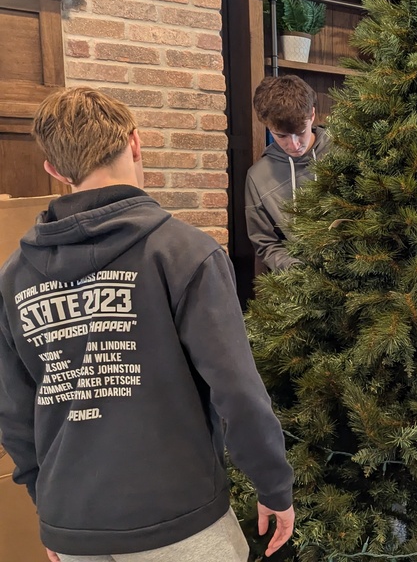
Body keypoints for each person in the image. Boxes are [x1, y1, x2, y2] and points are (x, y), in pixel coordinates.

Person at [0, 87, 295, 562]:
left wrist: (50, 510)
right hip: (179, 518)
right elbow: (237, 391)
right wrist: (274, 484)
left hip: (73, 520)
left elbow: (13, 411)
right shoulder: (185, 253)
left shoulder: (14, 275)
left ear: (54, 170)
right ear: (136, 142)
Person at [245, 74, 333, 271]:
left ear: (312, 115)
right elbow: (265, 244)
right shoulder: (258, 177)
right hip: (300, 287)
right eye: (281, 136)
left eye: (300, 132)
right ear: (266, 125)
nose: (293, 145)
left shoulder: (343, 150)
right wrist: (296, 269)